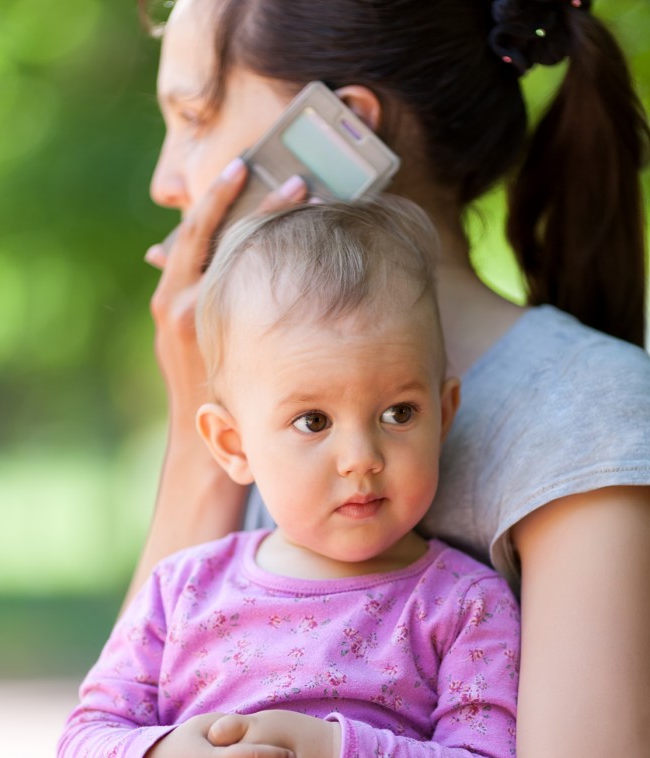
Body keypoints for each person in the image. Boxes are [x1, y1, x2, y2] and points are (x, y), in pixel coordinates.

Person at [130, 0, 650, 755]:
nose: (165, 178)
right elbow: (122, 717)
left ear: (343, 134)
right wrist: (198, 439)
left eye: (196, 115)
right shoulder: (257, 398)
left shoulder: (583, 412)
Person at [60, 199, 521, 758]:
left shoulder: (464, 605)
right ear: (234, 444)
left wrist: (335, 748)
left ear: (444, 414)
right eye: (313, 421)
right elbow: (85, 737)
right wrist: (162, 751)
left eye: (398, 413)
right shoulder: (182, 589)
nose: (361, 457)